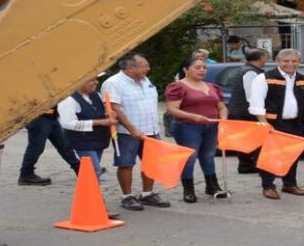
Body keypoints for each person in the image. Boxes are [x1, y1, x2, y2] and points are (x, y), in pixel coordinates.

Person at [101, 52, 171, 211]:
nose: (148, 68)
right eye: (144, 66)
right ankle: (127, 196)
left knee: (151, 162)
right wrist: (132, 129)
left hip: (151, 129)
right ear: (130, 68)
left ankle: (147, 193)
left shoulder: (145, 80)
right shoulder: (113, 83)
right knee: (126, 164)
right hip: (127, 132)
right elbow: (114, 108)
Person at [249, 48, 304, 199]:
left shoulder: (303, 79)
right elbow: (256, 102)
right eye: (286, 61)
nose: (290, 64)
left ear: (299, 62)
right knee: (269, 155)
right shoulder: (264, 78)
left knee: (293, 154)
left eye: (294, 61)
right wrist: (264, 123)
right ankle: (268, 186)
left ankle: (289, 184)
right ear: (278, 61)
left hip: (297, 123)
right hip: (273, 123)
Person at [166, 57, 229, 203]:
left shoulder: (211, 86)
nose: (202, 70)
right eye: (197, 67)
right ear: (185, 69)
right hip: (188, 126)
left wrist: (224, 120)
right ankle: (188, 189)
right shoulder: (178, 86)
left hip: (211, 125)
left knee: (208, 155)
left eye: (204, 68)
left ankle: (212, 186)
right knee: (189, 157)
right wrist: (194, 117)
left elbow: (222, 107)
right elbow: (172, 109)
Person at [57, 77, 120, 218]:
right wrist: (99, 122)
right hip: (82, 141)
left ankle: (88, 203)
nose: (96, 83)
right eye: (91, 80)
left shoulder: (96, 95)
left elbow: (100, 113)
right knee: (94, 171)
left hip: (97, 140)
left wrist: (108, 115)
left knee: (91, 173)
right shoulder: (68, 100)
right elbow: (68, 123)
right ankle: (98, 206)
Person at [226, 48, 269, 173]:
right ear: (261, 58)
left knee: (246, 139)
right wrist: (257, 110)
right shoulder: (251, 72)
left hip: (241, 110)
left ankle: (246, 165)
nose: (266, 59)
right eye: (266, 56)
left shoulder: (246, 69)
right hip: (246, 111)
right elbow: (252, 95)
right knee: (252, 139)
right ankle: (248, 165)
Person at [18, 109, 81, 185]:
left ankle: (79, 169)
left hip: (51, 117)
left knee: (64, 145)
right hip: (38, 117)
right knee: (36, 147)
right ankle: (26, 174)